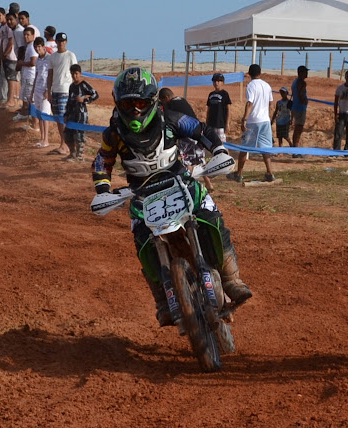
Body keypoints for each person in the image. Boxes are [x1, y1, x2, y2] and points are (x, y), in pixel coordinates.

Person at [91, 67, 252, 326]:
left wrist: (219, 151)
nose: (135, 110)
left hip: (180, 182)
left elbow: (200, 130)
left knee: (212, 217)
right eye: (129, 104)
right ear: (118, 103)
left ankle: (232, 279)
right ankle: (162, 299)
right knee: (142, 241)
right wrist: (102, 190)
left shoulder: (171, 119)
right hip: (142, 195)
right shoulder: (114, 133)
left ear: (152, 101)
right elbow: (103, 161)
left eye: (141, 103)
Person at [158, 86, 214, 193]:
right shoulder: (181, 100)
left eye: (162, 100)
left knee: (188, 161)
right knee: (200, 159)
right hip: (197, 133)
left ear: (166, 97)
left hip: (186, 135)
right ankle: (208, 184)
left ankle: (188, 186)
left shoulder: (171, 105)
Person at [227, 64, 275, 183]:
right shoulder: (267, 85)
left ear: (249, 74)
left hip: (253, 121)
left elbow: (249, 103)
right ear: (260, 73)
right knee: (266, 148)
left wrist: (244, 119)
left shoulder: (251, 86)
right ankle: (269, 173)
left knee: (245, 147)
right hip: (265, 121)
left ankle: (239, 174)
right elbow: (271, 104)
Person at [46, 32, 77, 155]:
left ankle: (66, 144)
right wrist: (49, 91)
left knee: (64, 117)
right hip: (55, 90)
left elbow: (75, 73)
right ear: (56, 42)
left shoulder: (70, 55)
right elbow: (50, 75)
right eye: (59, 41)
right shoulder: (52, 57)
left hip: (66, 90)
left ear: (66, 42)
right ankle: (63, 143)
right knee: (58, 118)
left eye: (63, 41)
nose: (61, 43)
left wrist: (75, 89)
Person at [62, 64, 98, 161]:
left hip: (81, 114)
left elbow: (95, 94)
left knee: (79, 135)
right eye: (72, 74)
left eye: (76, 73)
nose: (74, 76)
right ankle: (72, 153)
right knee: (67, 134)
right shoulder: (71, 86)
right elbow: (69, 101)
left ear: (80, 74)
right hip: (71, 114)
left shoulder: (84, 85)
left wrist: (84, 100)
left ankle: (80, 156)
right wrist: (66, 114)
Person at [31, 36, 51, 148]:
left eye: (39, 47)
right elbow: (36, 75)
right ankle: (42, 138)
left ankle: (46, 139)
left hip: (45, 90)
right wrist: (32, 92)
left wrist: (48, 90)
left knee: (45, 114)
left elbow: (51, 75)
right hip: (37, 89)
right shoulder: (38, 60)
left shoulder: (50, 59)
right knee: (39, 114)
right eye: (36, 47)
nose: (37, 49)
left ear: (43, 46)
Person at [14, 26, 36, 124]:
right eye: (24, 35)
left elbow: (33, 62)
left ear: (33, 35)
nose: (26, 37)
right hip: (26, 75)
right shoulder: (29, 46)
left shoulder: (32, 47)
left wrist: (21, 63)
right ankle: (25, 112)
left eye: (28, 35)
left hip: (30, 76)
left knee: (28, 97)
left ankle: (28, 114)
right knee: (24, 96)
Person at [0, 9, 18, 108]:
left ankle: (11, 100)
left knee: (11, 78)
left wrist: (5, 54)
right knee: (7, 78)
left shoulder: (9, 28)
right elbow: (1, 42)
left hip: (11, 57)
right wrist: (0, 56)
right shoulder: (2, 27)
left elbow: (11, 42)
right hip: (5, 57)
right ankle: (8, 99)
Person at [206, 72, 231, 143]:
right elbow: (208, 109)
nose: (216, 83)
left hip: (220, 124)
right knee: (212, 142)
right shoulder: (211, 94)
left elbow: (228, 109)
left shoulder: (225, 94)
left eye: (219, 81)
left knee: (221, 143)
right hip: (211, 123)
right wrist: (207, 121)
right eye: (214, 81)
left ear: (222, 83)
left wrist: (227, 124)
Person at [290, 65, 308, 157]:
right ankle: (295, 150)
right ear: (301, 73)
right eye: (305, 72)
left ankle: (295, 149)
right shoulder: (302, 82)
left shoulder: (294, 81)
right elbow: (300, 94)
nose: (307, 73)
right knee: (298, 129)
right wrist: (304, 101)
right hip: (300, 108)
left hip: (295, 107)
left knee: (297, 129)